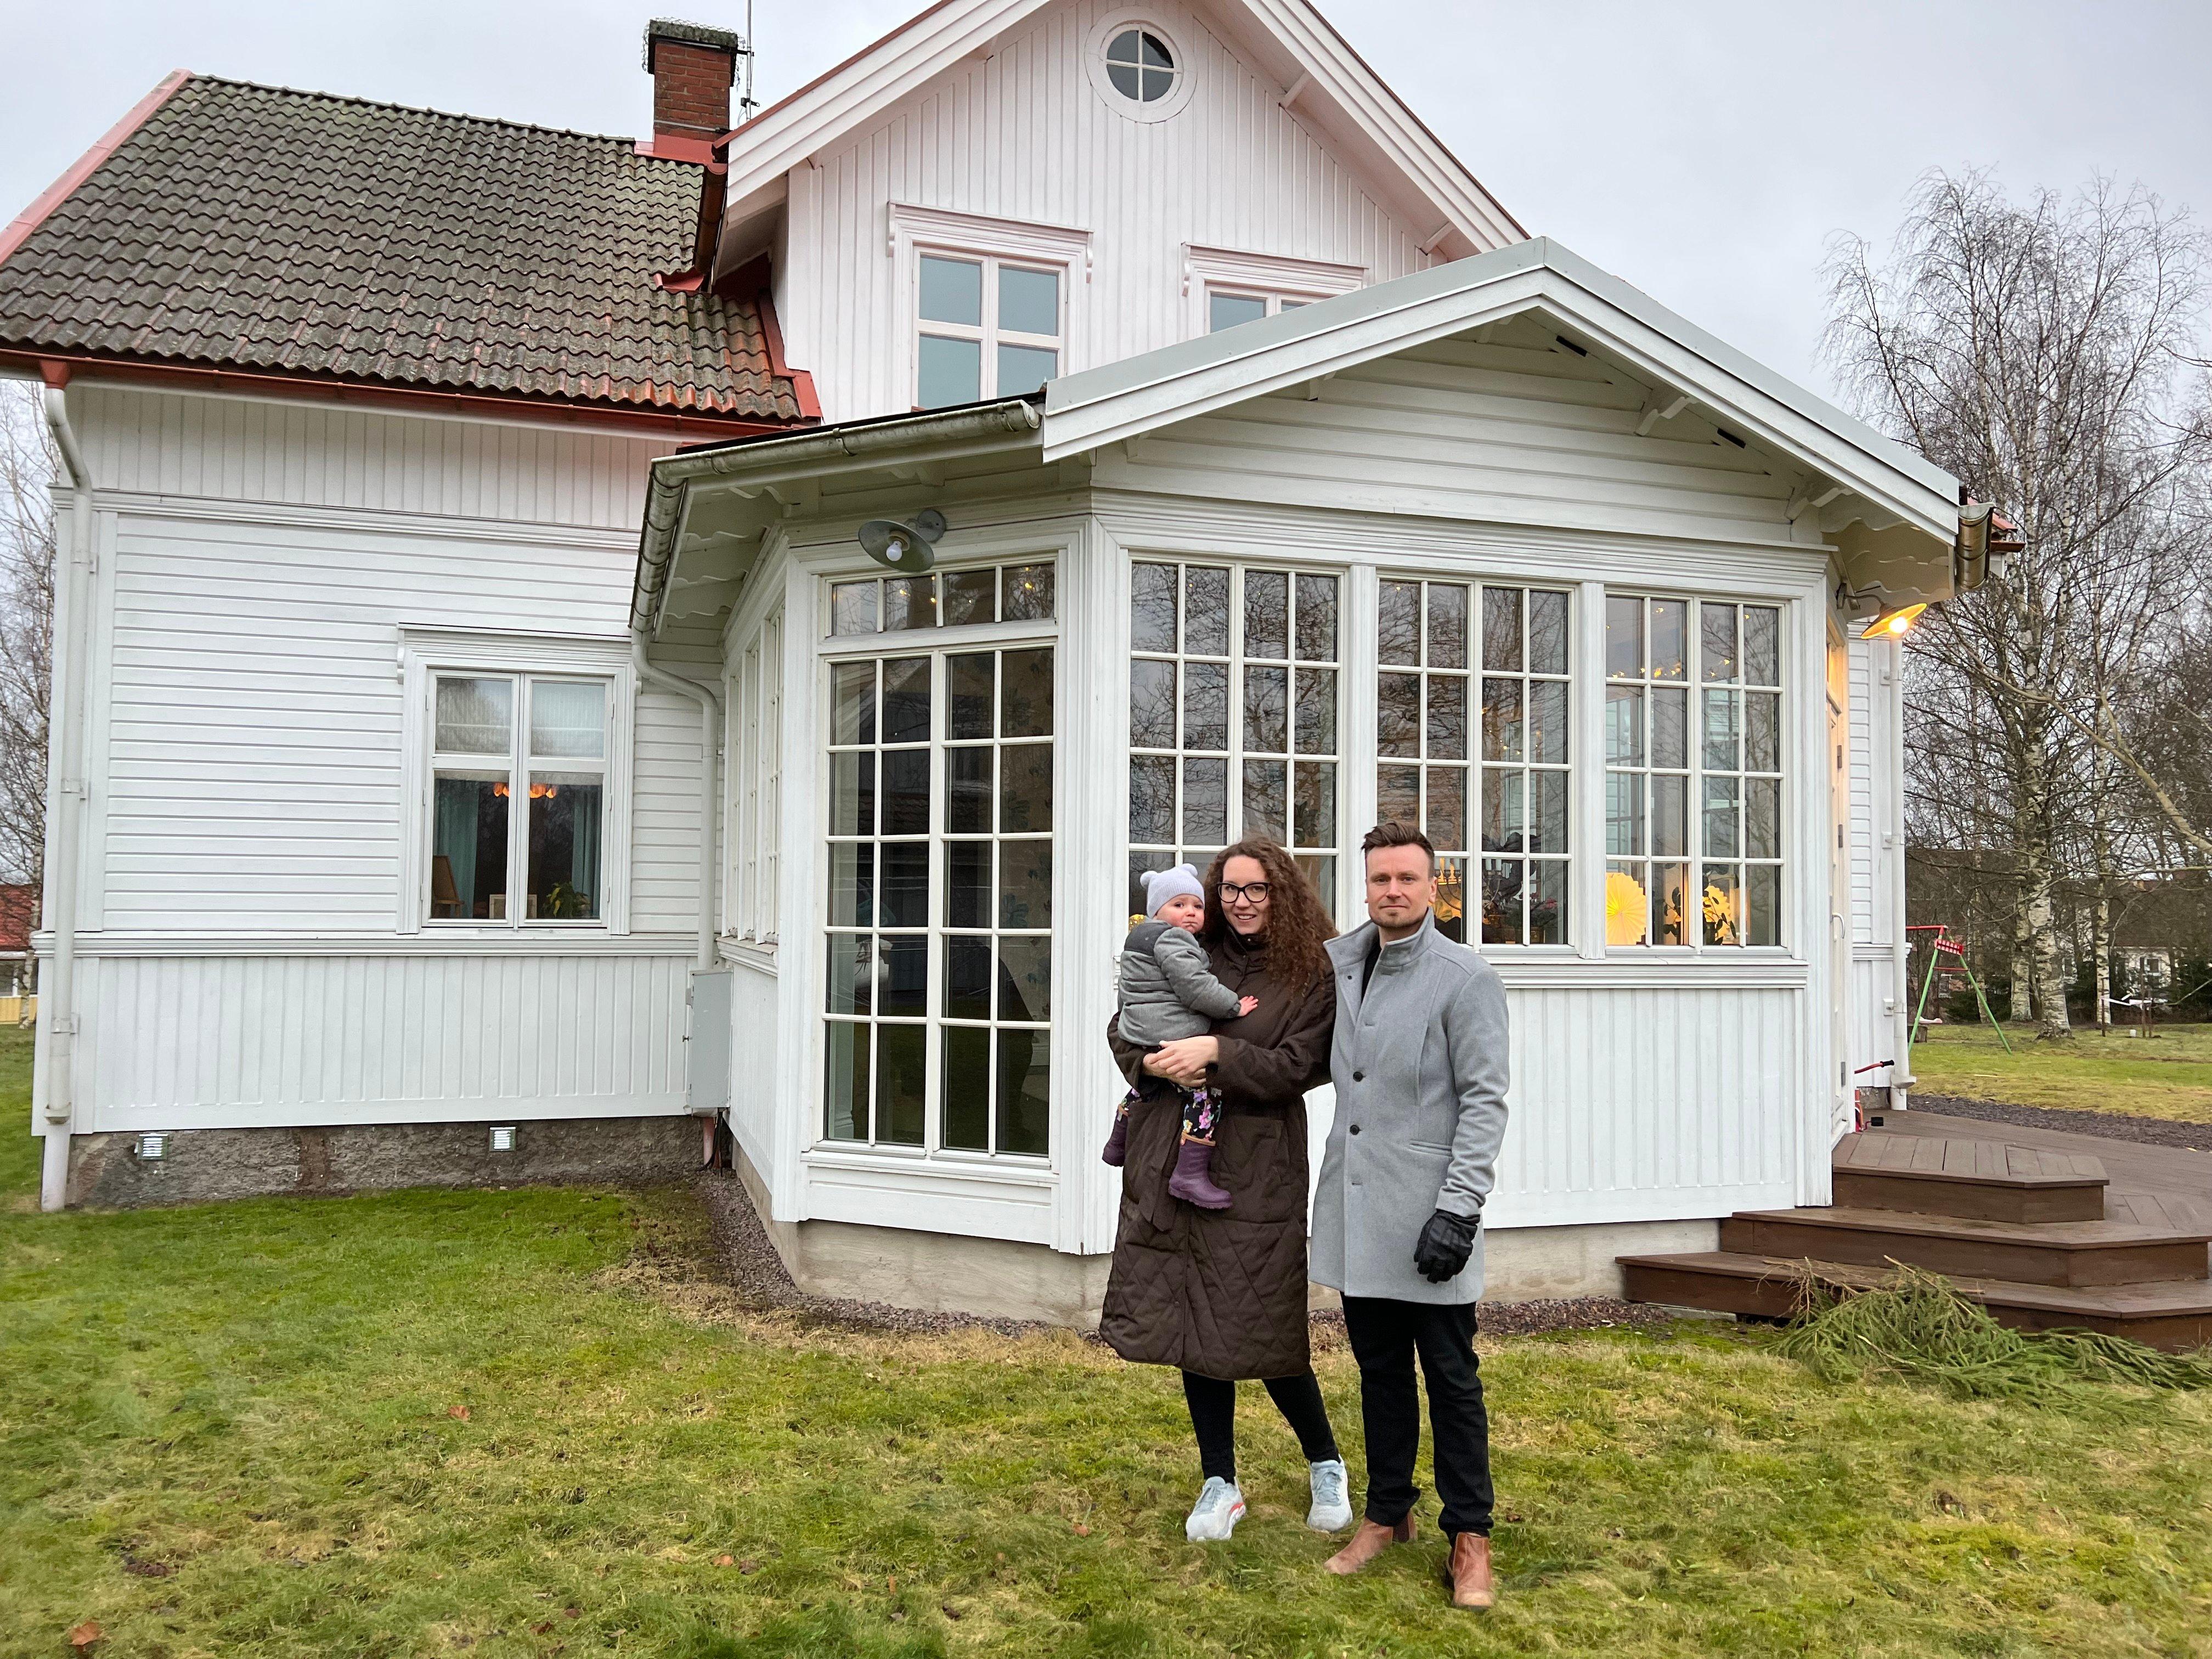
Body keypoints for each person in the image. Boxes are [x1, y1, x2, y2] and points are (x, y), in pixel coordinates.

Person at [1099, 838, 1352, 1543]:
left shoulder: (1311, 973)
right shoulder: (1186, 946)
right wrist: (1154, 1063)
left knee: (1261, 1323)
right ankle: (1220, 1480)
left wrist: (1217, 1052)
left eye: (1258, 889)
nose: (1242, 901)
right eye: (1231, 889)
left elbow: (1303, 1064)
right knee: (1190, 1323)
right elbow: (1126, 1024)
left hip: (1256, 1165)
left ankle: (1325, 1461)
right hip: (1170, 1151)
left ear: (1284, 895)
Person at [1313, 821, 1509, 1611]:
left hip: (1430, 1215)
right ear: (1365, 885)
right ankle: (1388, 1514)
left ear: (1434, 886)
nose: (1392, 891)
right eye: (1380, 879)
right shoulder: (1341, 964)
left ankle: (1471, 1535)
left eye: (1407, 878)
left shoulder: (1465, 977)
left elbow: (1485, 1100)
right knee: (1380, 1375)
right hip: (1360, 1207)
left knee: (1453, 1381)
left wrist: (1459, 1209)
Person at [1100, 863, 1260, 1210]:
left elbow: (1128, 993)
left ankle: (1118, 1140)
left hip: (1140, 1028)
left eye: (1198, 906)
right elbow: (1196, 988)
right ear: (1157, 911)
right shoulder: (1173, 939)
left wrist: (1133, 1024)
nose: (1191, 913)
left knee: (1144, 1084)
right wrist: (1233, 1006)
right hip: (1173, 1031)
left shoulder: (1137, 940)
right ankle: (1189, 1174)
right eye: (1179, 905)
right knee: (1204, 1094)